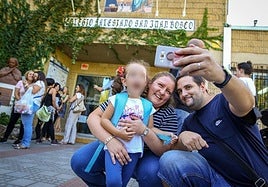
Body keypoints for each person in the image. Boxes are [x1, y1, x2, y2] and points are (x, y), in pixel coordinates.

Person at [157, 41, 268, 186]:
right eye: (179, 91)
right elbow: (175, 151)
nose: (183, 94)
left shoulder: (223, 101)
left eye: (188, 87)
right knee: (169, 160)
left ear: (202, 86)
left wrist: (221, 76)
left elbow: (246, 104)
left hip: (257, 181)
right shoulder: (189, 122)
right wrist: (183, 137)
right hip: (219, 181)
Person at [71, 71, 187, 187]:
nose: (162, 92)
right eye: (160, 85)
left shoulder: (169, 114)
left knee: (151, 172)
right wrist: (110, 140)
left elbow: (163, 150)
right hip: (115, 142)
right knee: (80, 162)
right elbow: (93, 118)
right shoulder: (127, 96)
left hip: (146, 154)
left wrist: (144, 131)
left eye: (168, 91)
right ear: (150, 84)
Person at [100, 61, 156, 186]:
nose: (137, 78)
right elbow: (104, 119)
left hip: (134, 151)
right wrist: (118, 133)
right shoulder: (117, 99)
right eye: (133, 75)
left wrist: (167, 135)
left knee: (123, 182)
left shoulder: (148, 106)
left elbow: (150, 129)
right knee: (113, 181)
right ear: (124, 81)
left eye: (142, 76)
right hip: (113, 148)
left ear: (145, 83)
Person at [0, 70, 35, 144]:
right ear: (27, 75)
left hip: (27, 106)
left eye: (33, 74)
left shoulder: (34, 85)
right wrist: (20, 101)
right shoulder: (20, 82)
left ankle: (19, 139)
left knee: (23, 123)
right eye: (30, 74)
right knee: (12, 121)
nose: (31, 75)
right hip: (19, 104)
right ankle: (5, 137)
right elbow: (16, 93)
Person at [14, 71, 46, 149]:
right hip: (33, 104)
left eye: (35, 76)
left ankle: (25, 143)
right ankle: (24, 142)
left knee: (27, 125)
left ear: (40, 76)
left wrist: (27, 85)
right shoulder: (41, 83)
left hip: (31, 104)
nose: (34, 77)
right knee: (27, 124)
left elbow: (33, 91)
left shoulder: (39, 82)